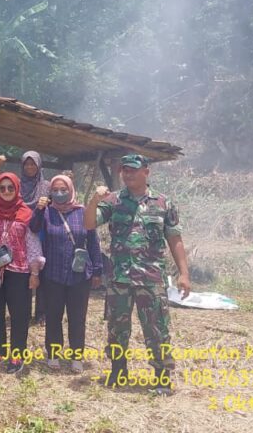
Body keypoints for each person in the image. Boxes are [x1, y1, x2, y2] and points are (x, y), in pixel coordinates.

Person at [85, 154, 191, 396]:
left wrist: (184, 274)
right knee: (117, 328)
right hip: (120, 279)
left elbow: (175, 239)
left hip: (151, 280)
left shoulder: (163, 203)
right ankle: (119, 370)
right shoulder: (112, 201)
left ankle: (162, 377)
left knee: (156, 329)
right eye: (124, 170)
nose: (128, 174)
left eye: (133, 169)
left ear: (146, 171)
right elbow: (89, 224)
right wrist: (93, 200)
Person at [29, 175, 103, 373]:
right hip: (52, 274)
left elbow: (93, 242)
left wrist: (97, 269)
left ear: (71, 190)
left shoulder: (82, 212)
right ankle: (53, 353)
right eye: (56, 190)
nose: (60, 193)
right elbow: (33, 228)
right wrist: (38, 209)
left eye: (64, 189)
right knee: (53, 315)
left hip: (79, 275)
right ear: (50, 192)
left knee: (77, 317)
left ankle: (76, 356)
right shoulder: (46, 213)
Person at [0, 173, 42, 375]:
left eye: (10, 188)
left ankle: (17, 354)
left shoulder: (25, 212)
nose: (5, 192)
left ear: (17, 189)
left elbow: (32, 244)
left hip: (19, 271)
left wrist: (34, 271)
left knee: (20, 315)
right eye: (2, 188)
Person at [0, 152, 50, 324]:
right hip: (19, 227)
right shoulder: (16, 184)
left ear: (39, 165)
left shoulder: (46, 186)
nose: (29, 167)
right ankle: (22, 310)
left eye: (33, 164)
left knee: (40, 270)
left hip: (40, 230)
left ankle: (41, 312)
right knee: (22, 274)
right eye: (26, 164)